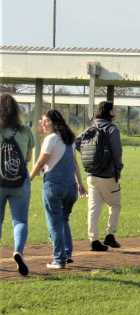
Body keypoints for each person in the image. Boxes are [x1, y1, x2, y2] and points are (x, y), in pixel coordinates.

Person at [29, 110, 86, 269]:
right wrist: (80, 185)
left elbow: (40, 163)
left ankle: (59, 259)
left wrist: (29, 179)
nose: (43, 124)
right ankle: (67, 253)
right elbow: (74, 164)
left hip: (54, 186)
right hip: (71, 188)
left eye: (45, 121)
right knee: (63, 220)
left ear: (54, 122)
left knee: (54, 223)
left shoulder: (51, 139)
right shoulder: (69, 139)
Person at [77, 100, 123, 252]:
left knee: (93, 208)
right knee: (115, 205)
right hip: (108, 175)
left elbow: (77, 143)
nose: (115, 112)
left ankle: (93, 240)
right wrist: (118, 169)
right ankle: (110, 235)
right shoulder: (111, 129)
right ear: (109, 112)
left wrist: (89, 157)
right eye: (113, 110)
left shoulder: (90, 127)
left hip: (91, 173)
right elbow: (117, 153)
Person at [0, 94, 35, 276]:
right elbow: (28, 158)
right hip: (20, 182)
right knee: (20, 220)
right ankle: (18, 252)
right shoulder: (25, 131)